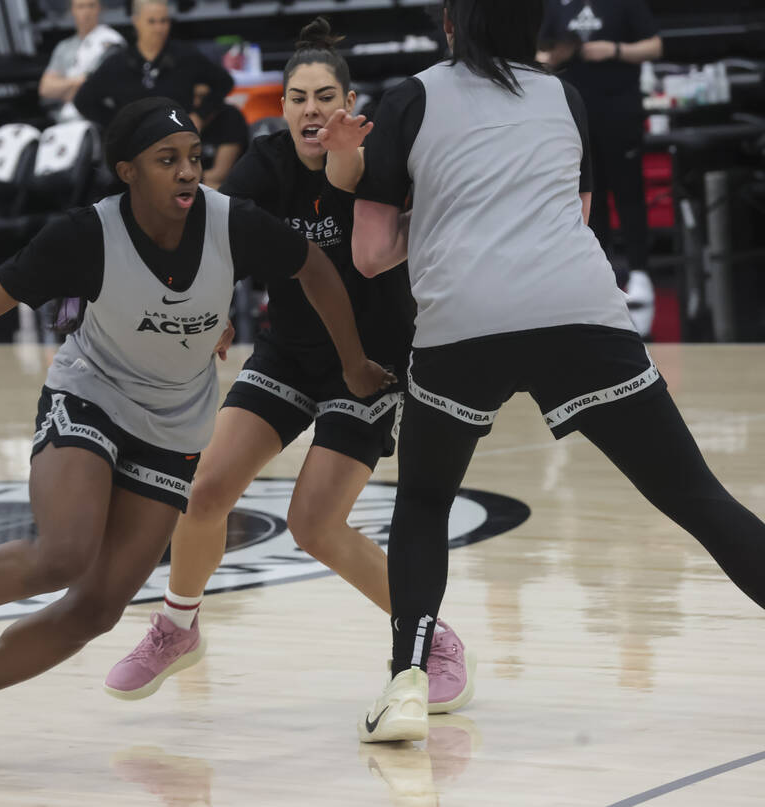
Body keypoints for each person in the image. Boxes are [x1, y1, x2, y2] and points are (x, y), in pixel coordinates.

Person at [0, 96, 395, 777]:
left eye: (194, 158)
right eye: (168, 162)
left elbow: (313, 266)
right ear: (127, 171)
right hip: (92, 396)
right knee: (64, 553)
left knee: (97, 609)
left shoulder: (233, 224)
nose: (188, 173)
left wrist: (350, 360)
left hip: (173, 424)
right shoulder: (84, 235)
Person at [317, 0, 765, 744]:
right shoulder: (567, 96)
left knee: (424, 502)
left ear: (449, 26)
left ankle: (406, 680)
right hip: (576, 308)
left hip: (464, 320)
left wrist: (439, 220)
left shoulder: (410, 98)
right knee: (695, 495)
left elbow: (369, 255)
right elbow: (577, 214)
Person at [103, 18, 475, 714]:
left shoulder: (378, 161)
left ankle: (431, 639)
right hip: (289, 354)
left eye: (325, 95)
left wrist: (343, 152)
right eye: (298, 97)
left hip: (367, 363)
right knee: (205, 487)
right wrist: (209, 315)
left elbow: (344, 176)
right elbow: (216, 245)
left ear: (349, 102)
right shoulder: (265, 165)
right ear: (281, 108)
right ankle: (177, 626)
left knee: (314, 525)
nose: (311, 108)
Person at [537, 0, 663, 337]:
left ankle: (640, 272)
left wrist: (615, 49)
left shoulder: (623, 4)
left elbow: (655, 45)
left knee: (629, 191)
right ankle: (601, 275)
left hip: (620, 109)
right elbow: (539, 53)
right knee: (589, 195)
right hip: (574, 114)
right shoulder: (556, 6)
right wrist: (556, 57)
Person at [73, 0, 233, 130]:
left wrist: (200, 114)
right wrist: (118, 124)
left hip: (177, 137)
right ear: (136, 21)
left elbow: (224, 82)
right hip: (135, 146)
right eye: (152, 22)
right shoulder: (117, 63)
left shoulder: (186, 55)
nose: (159, 28)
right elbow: (83, 100)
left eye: (164, 21)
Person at [39, 0, 125, 122]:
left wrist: (63, 90)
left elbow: (99, 87)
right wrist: (80, 80)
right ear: (72, 11)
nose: (86, 12)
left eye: (91, 6)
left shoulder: (111, 42)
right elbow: (45, 89)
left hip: (99, 119)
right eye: (81, 7)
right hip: (65, 119)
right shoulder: (63, 47)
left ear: (100, 9)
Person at [193, 91, 247, 190]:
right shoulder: (179, 114)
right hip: (200, 180)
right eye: (192, 96)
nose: (196, 102)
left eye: (201, 96)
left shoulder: (230, 117)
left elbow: (219, 174)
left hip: (224, 185)